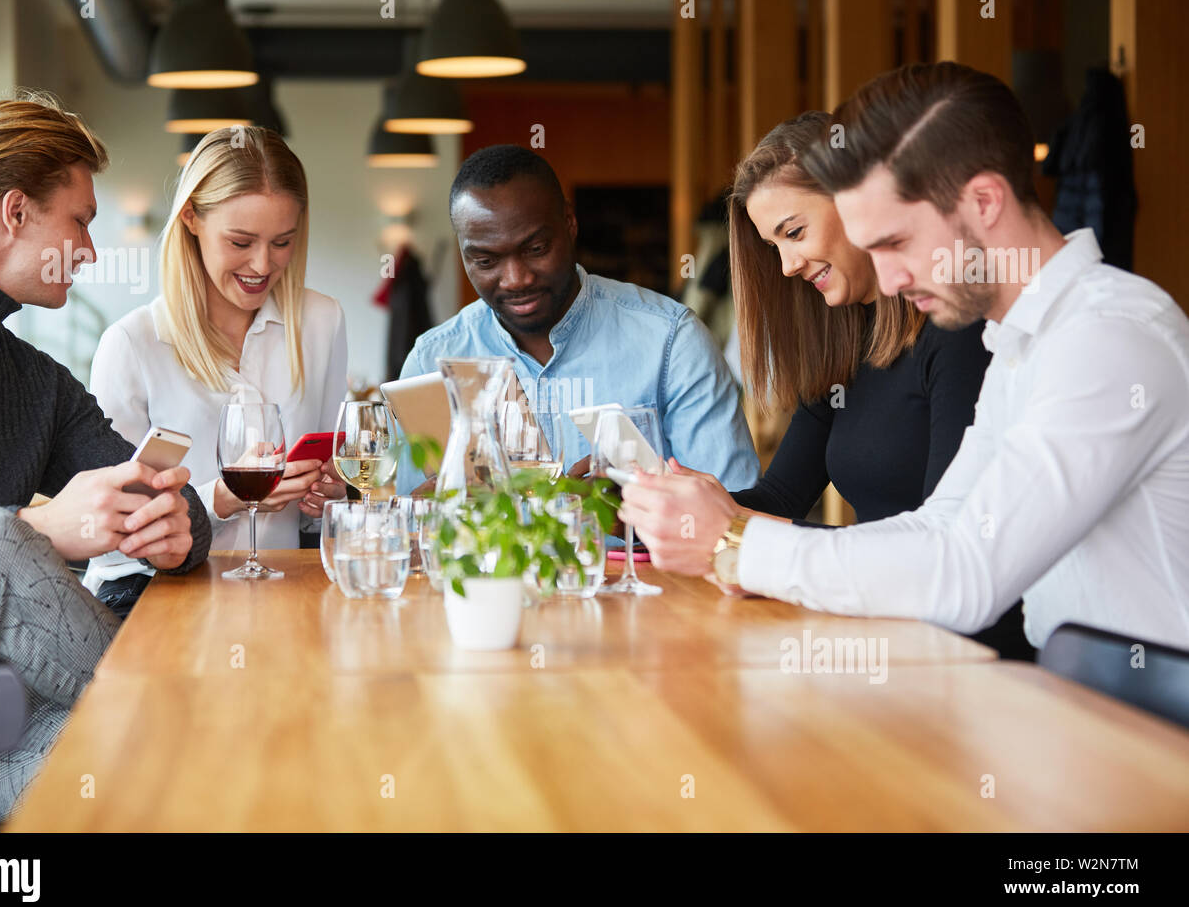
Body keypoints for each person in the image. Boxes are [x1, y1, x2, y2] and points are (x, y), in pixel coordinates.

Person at [622, 61, 1189, 651]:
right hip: (1072, 701)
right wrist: (726, 530)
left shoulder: (1105, 336)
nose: (887, 281)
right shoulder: (1019, 340)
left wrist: (734, 542)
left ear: (985, 202)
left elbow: (970, 573)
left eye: (895, 242)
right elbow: (938, 527)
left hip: (1143, 721)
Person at [0, 95, 211, 824]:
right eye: (81, 220)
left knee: (132, 756)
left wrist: (177, 526)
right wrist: (40, 529)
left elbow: (155, 486)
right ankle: (221, 717)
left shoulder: (37, 383)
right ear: (14, 212)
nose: (92, 250)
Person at [86, 126, 348, 612]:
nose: (262, 265)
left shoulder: (322, 322)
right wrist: (220, 500)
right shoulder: (132, 344)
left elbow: (321, 502)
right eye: (241, 241)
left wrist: (327, 496)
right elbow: (109, 532)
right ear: (190, 218)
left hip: (281, 589)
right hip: (155, 594)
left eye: (282, 241)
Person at [398, 144, 759, 491]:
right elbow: (409, 524)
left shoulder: (671, 342)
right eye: (486, 261)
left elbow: (731, 518)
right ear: (464, 255)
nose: (516, 279)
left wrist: (640, 519)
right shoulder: (430, 364)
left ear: (569, 223)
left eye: (536, 249)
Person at [718, 110, 990, 524]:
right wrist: (663, 508)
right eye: (775, 248)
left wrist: (773, 548)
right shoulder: (843, 340)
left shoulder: (959, 330)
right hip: (872, 588)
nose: (787, 266)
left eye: (793, 233)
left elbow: (944, 540)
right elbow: (780, 497)